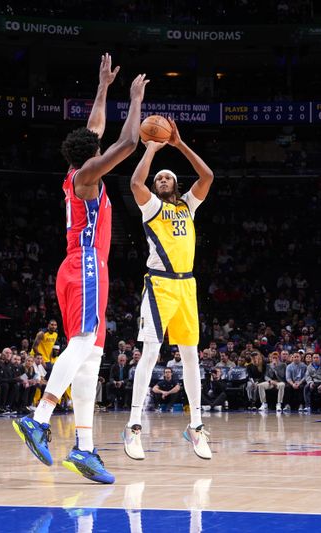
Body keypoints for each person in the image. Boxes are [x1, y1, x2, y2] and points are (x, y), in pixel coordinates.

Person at [14, 54, 148, 485]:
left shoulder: (77, 167)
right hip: (85, 265)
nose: (99, 139)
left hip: (84, 268)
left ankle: (85, 449)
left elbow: (95, 127)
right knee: (83, 343)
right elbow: (126, 144)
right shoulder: (87, 175)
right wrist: (134, 100)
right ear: (92, 156)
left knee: (91, 357)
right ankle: (39, 418)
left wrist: (103, 86)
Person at [122, 115, 214, 462]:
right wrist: (151, 149)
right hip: (158, 286)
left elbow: (207, 177)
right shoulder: (152, 207)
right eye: (158, 177)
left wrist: (178, 144)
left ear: (175, 184)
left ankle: (196, 426)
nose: (161, 179)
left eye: (166, 177)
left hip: (186, 287)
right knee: (149, 353)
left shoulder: (188, 206)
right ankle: (133, 426)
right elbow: (134, 182)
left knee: (191, 358)